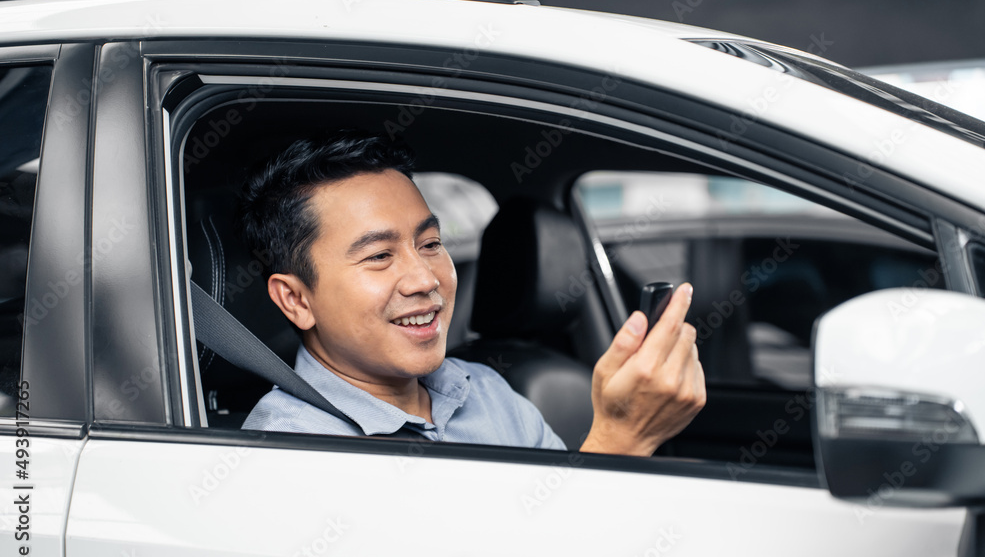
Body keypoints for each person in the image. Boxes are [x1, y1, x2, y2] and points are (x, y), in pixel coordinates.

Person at [238, 130, 705, 456]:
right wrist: (621, 438)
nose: (425, 279)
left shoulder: (484, 391)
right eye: (380, 256)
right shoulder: (289, 447)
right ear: (296, 300)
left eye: (430, 245)